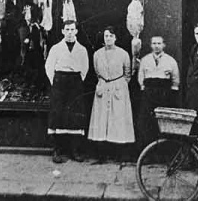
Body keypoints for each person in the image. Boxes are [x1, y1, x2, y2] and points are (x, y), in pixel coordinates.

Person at [44, 20, 89, 164]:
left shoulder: (82, 50)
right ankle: (57, 150)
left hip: (75, 83)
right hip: (59, 83)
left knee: (75, 115)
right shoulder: (56, 48)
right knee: (58, 114)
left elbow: (85, 68)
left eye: (72, 29)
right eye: (67, 29)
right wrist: (56, 82)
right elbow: (49, 66)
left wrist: (76, 81)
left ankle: (75, 150)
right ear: (63, 31)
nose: (70, 32)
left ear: (76, 31)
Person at [88, 27, 135, 163]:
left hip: (118, 87)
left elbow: (127, 73)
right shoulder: (97, 54)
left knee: (118, 119)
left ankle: (119, 154)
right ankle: (102, 155)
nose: (108, 38)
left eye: (111, 36)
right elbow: (97, 72)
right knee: (101, 119)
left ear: (115, 38)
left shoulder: (123, 54)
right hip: (103, 86)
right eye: (106, 36)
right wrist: (103, 82)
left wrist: (120, 84)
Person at [137, 36, 180, 148]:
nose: (156, 46)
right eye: (154, 43)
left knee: (163, 122)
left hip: (164, 95)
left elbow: (175, 80)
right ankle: (148, 150)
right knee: (147, 122)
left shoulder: (171, 61)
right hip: (148, 94)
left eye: (159, 43)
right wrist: (145, 90)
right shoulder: (145, 60)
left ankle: (163, 150)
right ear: (151, 45)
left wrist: (170, 96)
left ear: (163, 45)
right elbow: (141, 77)